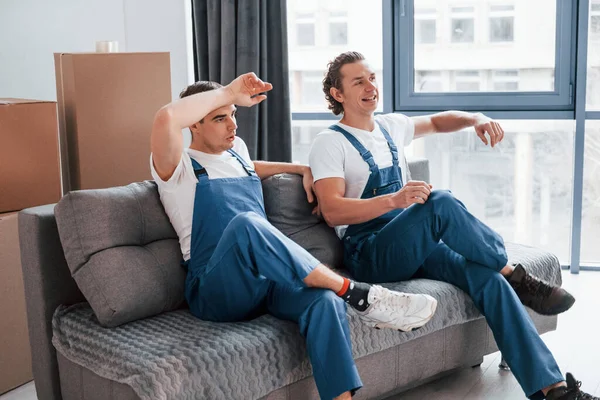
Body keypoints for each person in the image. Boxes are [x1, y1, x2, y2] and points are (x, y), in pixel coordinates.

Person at [308, 51, 595, 400]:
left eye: (372, 78)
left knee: (487, 279)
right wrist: (395, 200)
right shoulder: (330, 142)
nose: (371, 86)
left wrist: (476, 118)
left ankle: (552, 390)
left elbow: (440, 121)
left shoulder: (390, 126)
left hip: (413, 242)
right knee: (439, 201)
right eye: (358, 82)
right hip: (371, 252)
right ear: (338, 94)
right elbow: (333, 211)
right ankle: (513, 273)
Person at [149, 72, 439, 400]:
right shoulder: (177, 167)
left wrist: (300, 168)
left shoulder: (237, 151)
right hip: (216, 288)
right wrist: (228, 92)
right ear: (194, 125)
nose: (232, 125)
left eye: (233, 114)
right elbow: (166, 117)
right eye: (219, 118)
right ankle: (355, 292)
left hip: (264, 283)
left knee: (324, 302)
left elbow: (249, 167)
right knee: (247, 224)